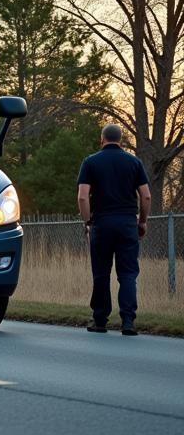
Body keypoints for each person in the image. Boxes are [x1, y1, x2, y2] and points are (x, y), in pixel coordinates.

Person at [77, 123, 151, 336]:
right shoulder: (134, 162)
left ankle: (100, 320)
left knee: (101, 273)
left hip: (102, 223)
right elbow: (146, 195)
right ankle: (128, 321)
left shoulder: (90, 162)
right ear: (121, 140)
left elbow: (82, 196)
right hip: (127, 223)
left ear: (102, 139)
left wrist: (88, 222)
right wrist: (142, 221)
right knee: (127, 274)